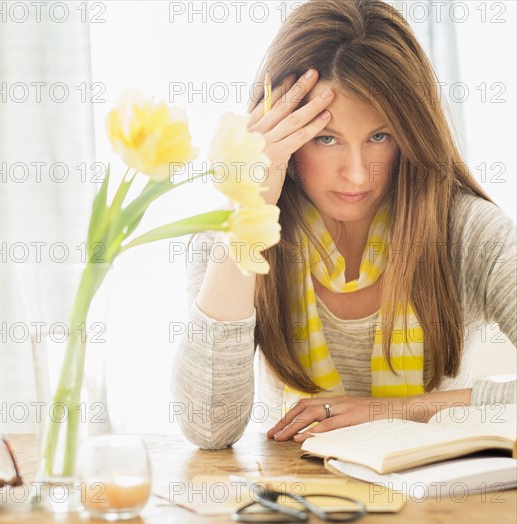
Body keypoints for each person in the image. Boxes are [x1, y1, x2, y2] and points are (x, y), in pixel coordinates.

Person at [172, 0, 516, 450]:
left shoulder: (468, 231)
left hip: (435, 500)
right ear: (281, 137)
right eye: (326, 139)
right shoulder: (233, 229)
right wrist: (249, 208)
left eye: (379, 136)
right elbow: (208, 428)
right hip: (294, 503)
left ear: (411, 134)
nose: (356, 174)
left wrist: (388, 411)